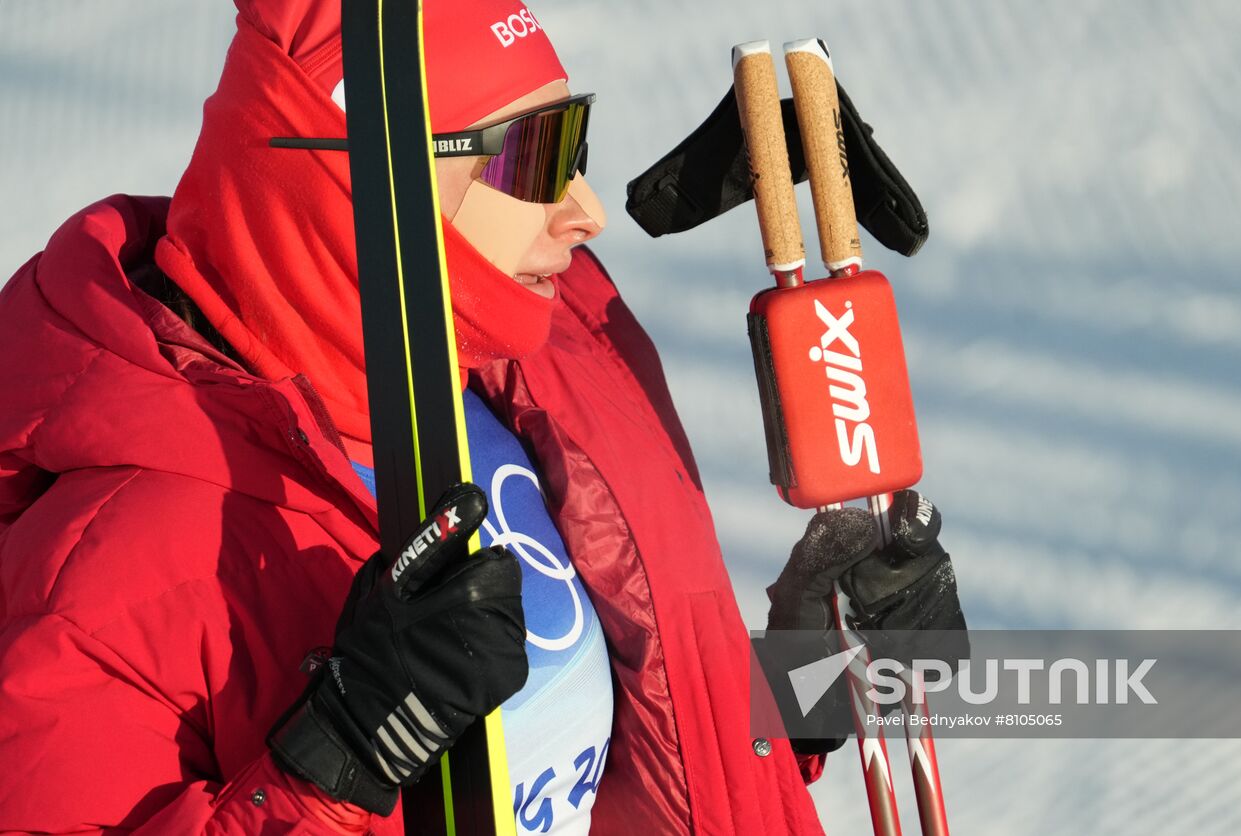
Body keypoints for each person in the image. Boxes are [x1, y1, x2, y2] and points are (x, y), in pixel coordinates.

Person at [0, 1, 965, 833]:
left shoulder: (536, 369)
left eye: (571, 141)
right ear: (354, 184)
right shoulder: (110, 565)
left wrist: (810, 674)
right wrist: (333, 766)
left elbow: (629, 766)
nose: (583, 208)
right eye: (533, 159)